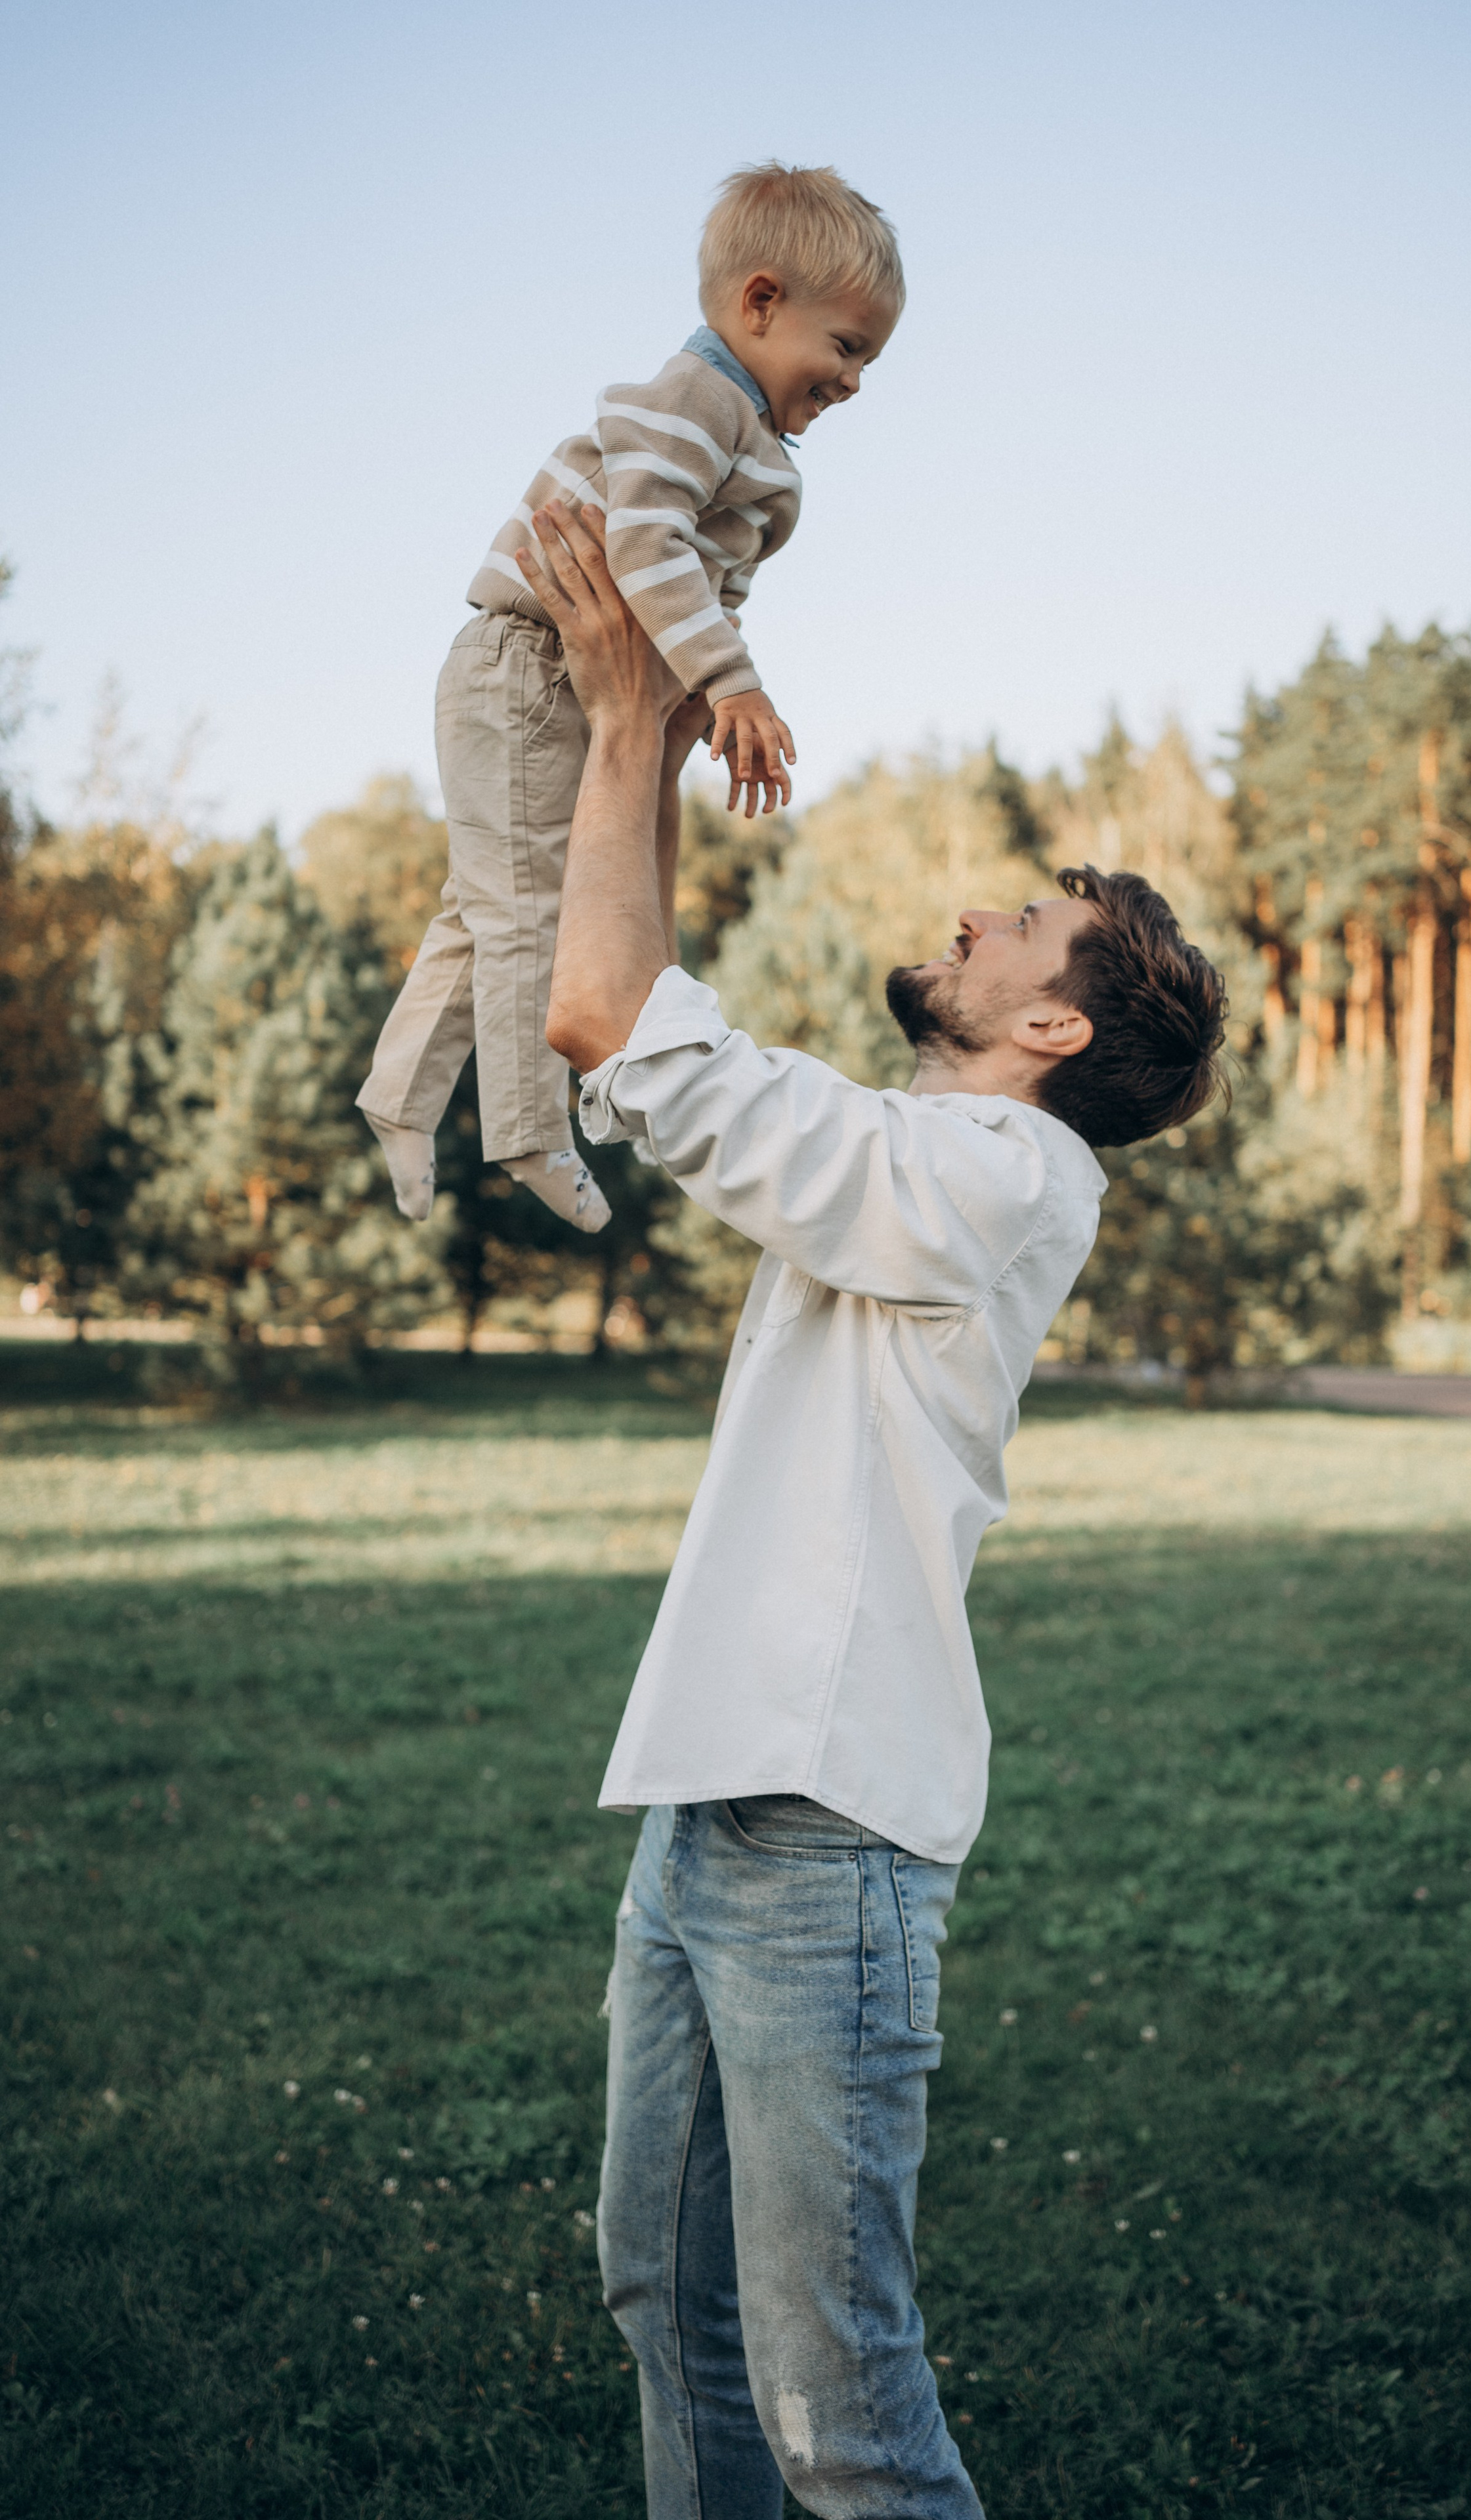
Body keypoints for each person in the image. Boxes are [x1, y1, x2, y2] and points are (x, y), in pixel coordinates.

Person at [515, 496, 1228, 2519]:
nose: (976, 919)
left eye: (1017, 929)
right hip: (716, 1805)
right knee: (673, 2300)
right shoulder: (919, 1151)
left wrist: (623, 717)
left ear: (1052, 1029)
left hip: (824, 1846)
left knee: (846, 2412)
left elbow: (611, 1026)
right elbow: (644, 1017)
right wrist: (628, 724)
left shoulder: (1001, 1182)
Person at [356, 163, 904, 1230]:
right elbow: (647, 542)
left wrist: (698, 699)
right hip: (530, 666)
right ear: (760, 303)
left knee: (483, 910)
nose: (852, 383)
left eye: (868, 360)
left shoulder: (748, 430)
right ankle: (528, 1131)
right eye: (844, 348)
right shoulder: (699, 401)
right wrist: (732, 682)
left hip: (546, 674)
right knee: (527, 914)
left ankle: (400, 1099)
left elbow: (698, 579)